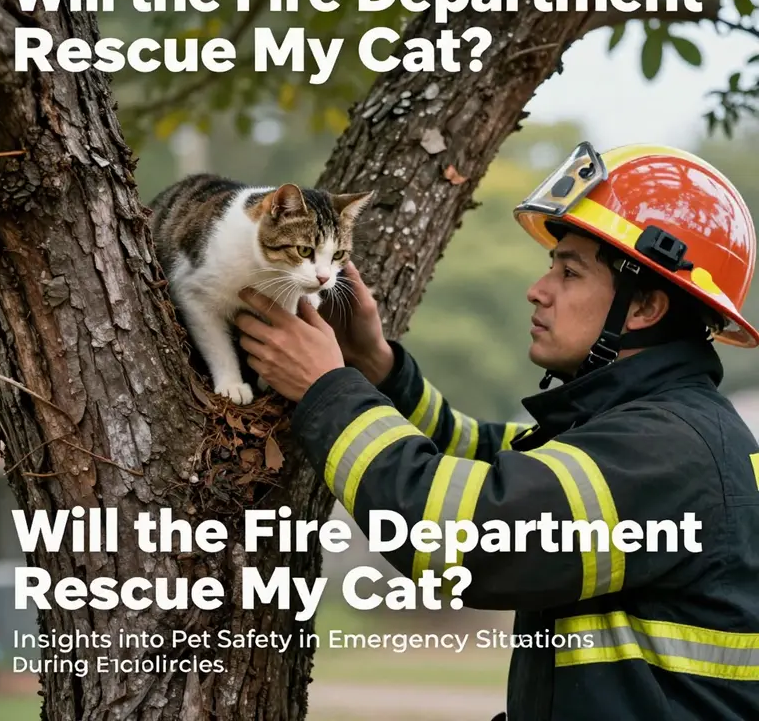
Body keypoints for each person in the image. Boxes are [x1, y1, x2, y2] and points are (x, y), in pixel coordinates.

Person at [234, 142, 759, 721]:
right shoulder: (648, 428)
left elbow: (463, 533)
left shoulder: (668, 450)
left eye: (569, 271)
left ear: (643, 308)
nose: (539, 288)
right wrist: (378, 367)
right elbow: (480, 456)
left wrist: (325, 390)